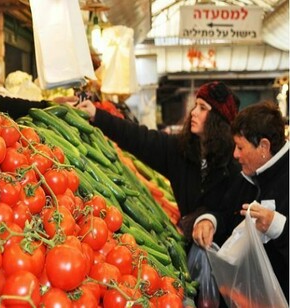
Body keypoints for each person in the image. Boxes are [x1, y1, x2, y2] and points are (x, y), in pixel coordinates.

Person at [77, 81, 241, 243]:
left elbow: (233, 214)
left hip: (225, 252)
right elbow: (140, 138)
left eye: (203, 108)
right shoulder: (181, 150)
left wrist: (210, 220)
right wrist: (97, 115)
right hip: (193, 248)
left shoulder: (235, 162)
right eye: (196, 105)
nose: (194, 112)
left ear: (218, 120)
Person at [192, 101, 289, 301]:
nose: (235, 154)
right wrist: (210, 221)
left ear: (264, 146)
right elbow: (227, 213)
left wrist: (278, 227)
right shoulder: (247, 176)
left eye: (240, 147)